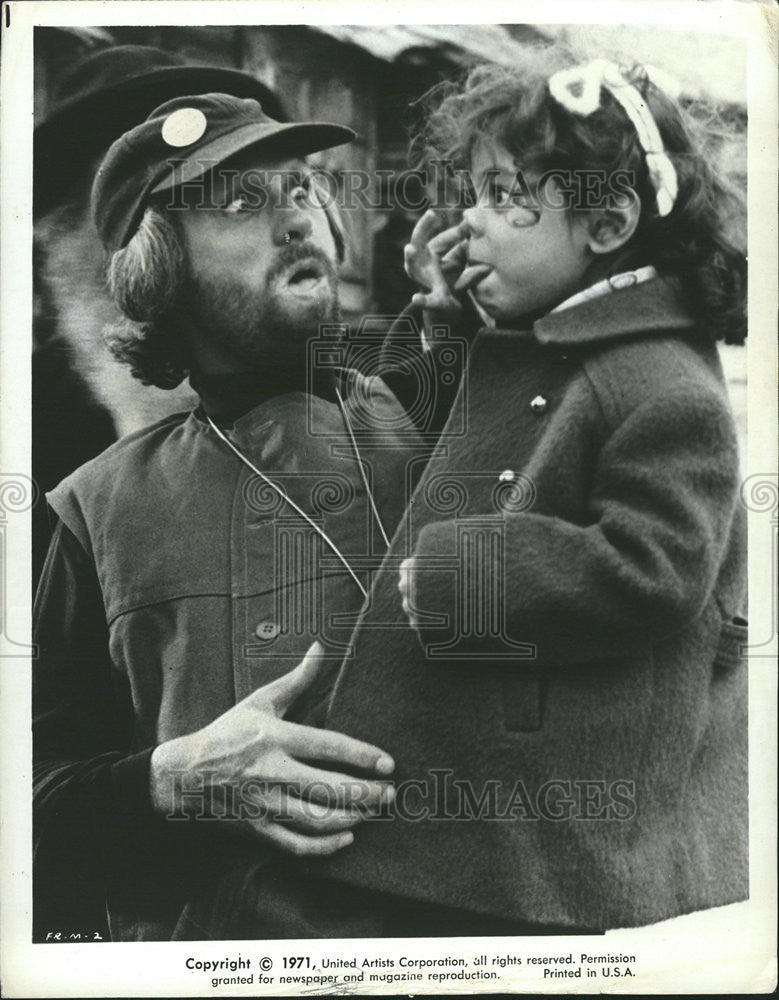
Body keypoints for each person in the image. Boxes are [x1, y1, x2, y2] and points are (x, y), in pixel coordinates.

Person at [305, 52, 748, 932]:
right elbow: (458, 448)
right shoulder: (565, 354)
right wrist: (443, 315)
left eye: (504, 197)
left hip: (551, 860)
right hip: (489, 849)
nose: (468, 224)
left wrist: (461, 577)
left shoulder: (659, 382)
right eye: (471, 194)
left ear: (607, 222)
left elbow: (653, 568)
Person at [32, 93, 424, 941]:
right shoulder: (91, 510)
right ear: (158, 270)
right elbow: (29, 809)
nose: (297, 219)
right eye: (241, 202)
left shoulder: (451, 418)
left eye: (300, 187)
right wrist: (171, 782)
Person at [33, 43, 288, 585]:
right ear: (61, 232)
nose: (165, 243)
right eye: (131, 205)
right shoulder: (31, 430)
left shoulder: (310, 395)